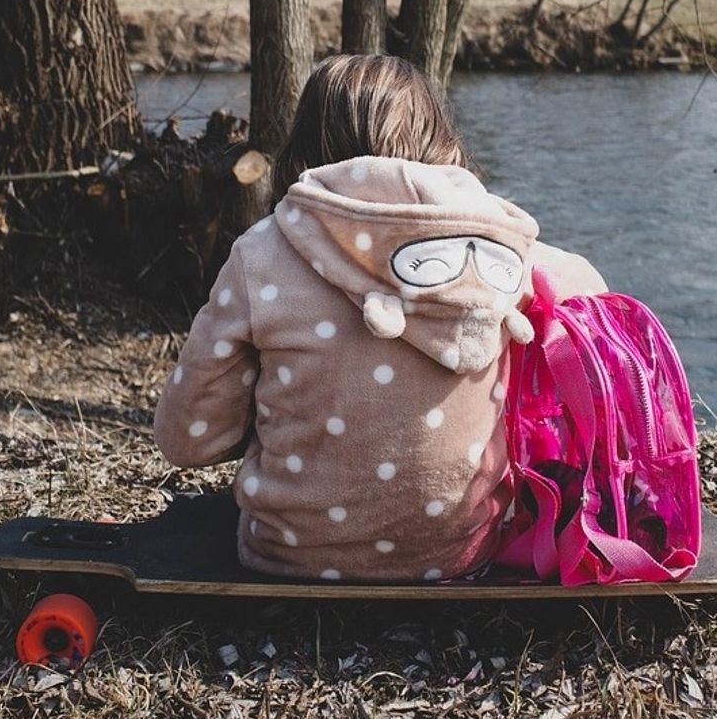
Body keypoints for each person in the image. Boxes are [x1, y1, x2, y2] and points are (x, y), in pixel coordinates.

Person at [154, 54, 606, 582]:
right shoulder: (502, 255)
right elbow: (596, 303)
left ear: (305, 145)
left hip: (288, 558)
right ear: (440, 139)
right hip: (462, 557)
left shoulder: (262, 254)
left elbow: (186, 439)